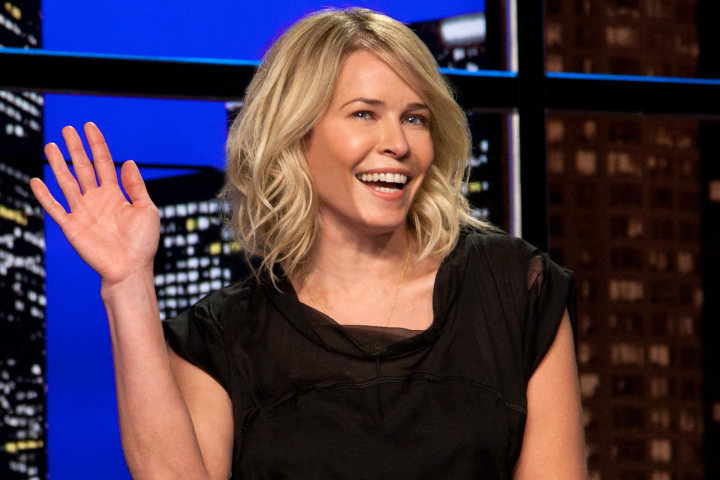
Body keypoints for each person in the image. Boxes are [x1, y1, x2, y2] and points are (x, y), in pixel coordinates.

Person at [31, 7, 587, 480]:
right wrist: (127, 282)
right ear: (298, 137)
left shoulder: (515, 289)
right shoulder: (224, 338)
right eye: (364, 113)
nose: (397, 143)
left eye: (415, 119)